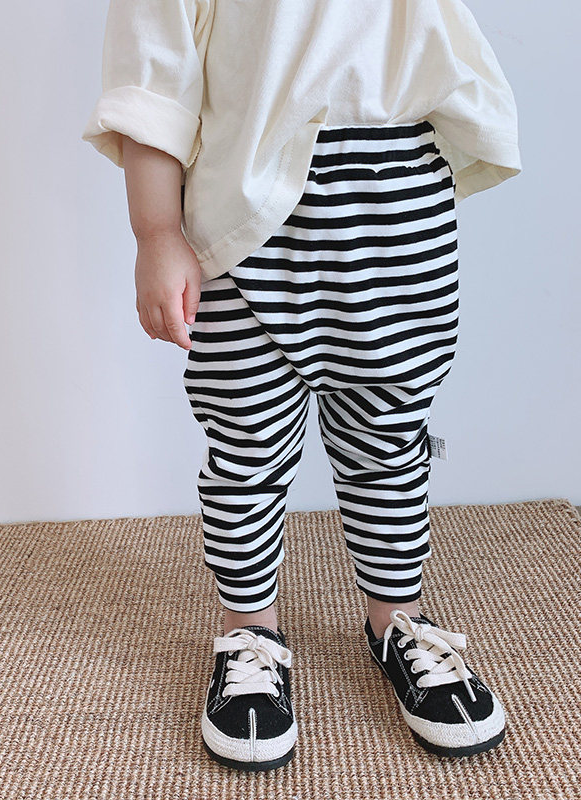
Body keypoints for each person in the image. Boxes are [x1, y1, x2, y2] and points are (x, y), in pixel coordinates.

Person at [81, 0, 521, 772]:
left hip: (398, 200)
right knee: (246, 443)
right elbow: (153, 79)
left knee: (390, 435)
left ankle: (397, 619)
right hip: (244, 217)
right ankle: (249, 628)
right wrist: (156, 232)